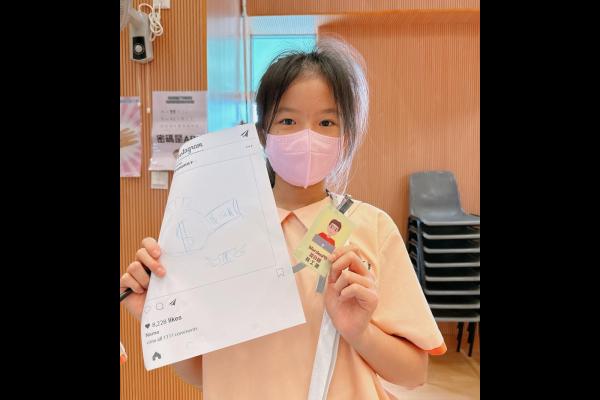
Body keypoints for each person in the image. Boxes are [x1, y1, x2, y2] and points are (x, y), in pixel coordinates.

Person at [120, 36, 446, 399]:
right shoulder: (219, 234)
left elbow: (413, 372)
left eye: (326, 122)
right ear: (263, 134)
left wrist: (359, 332)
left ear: (345, 136)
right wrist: (159, 315)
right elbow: (204, 373)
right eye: (288, 120)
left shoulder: (373, 227)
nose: (307, 136)